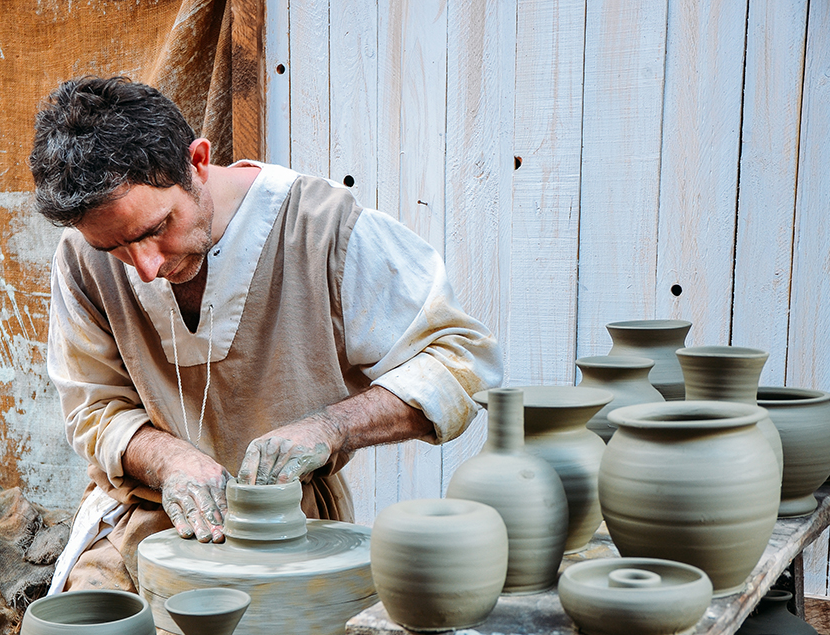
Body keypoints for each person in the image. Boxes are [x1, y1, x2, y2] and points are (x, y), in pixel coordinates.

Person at [30, 75, 502, 600]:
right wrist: (169, 461)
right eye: (116, 247)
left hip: (290, 530)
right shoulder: (81, 257)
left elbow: (460, 360)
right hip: (149, 518)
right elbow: (93, 407)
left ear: (198, 162)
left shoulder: (323, 229)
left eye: (156, 228)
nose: (145, 266)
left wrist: (331, 427)